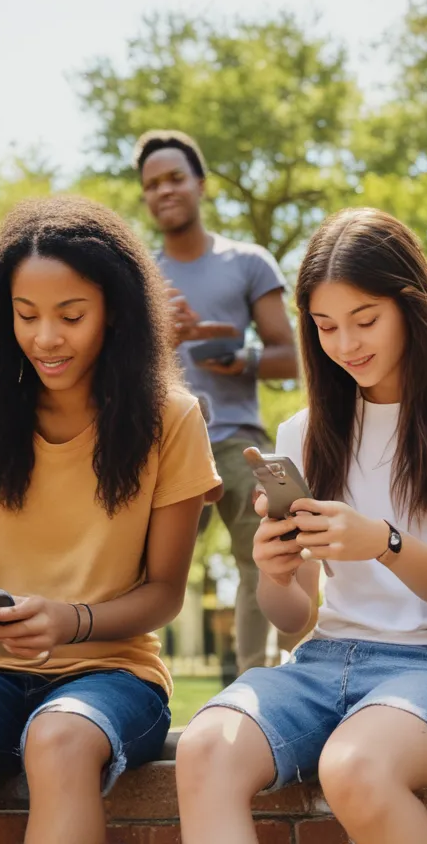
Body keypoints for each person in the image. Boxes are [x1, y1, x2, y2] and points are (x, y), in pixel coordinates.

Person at [175, 208, 427, 844]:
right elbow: (294, 618)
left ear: (412, 305)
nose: (346, 344)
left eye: (365, 320)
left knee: (354, 768)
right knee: (205, 748)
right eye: (324, 327)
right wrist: (276, 570)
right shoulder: (305, 431)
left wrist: (384, 543)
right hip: (322, 663)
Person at [0, 196, 220, 844]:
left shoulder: (172, 418)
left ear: (113, 312)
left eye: (71, 315)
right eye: (25, 315)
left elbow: (166, 593)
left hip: (114, 675)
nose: (45, 337)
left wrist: (71, 620)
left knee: (57, 739)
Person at [135, 129, 299, 673]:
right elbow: (117, 372)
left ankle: (257, 688)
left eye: (175, 178)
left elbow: (292, 357)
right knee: (141, 568)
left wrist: (238, 356)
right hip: (161, 446)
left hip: (237, 440)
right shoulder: (138, 276)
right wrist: (162, 339)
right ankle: (131, 680)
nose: (165, 191)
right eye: (152, 184)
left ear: (200, 185)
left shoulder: (248, 262)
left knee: (265, 554)